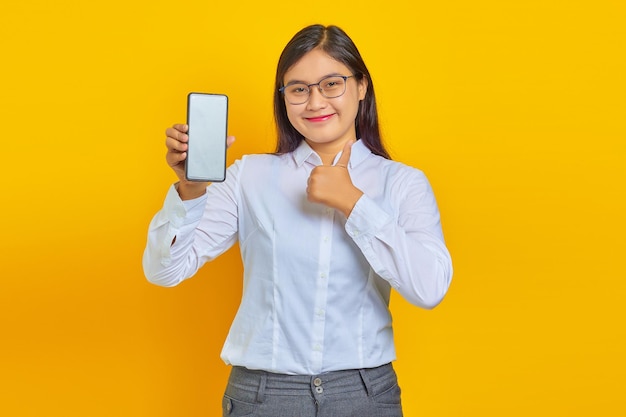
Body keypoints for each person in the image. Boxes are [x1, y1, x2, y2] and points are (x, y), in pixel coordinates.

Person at [143, 24, 452, 417]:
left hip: (363, 395)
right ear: (284, 97)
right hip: (264, 395)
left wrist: (354, 203)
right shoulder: (248, 176)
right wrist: (191, 190)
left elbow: (430, 288)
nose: (315, 102)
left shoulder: (402, 183)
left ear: (362, 86)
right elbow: (165, 271)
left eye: (331, 84)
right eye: (299, 89)